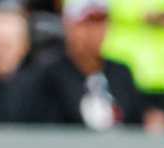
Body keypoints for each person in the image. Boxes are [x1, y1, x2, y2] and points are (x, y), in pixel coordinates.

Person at [11, 0, 152, 129]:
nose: (95, 31)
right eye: (87, 23)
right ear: (68, 25)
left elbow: (136, 126)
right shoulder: (48, 76)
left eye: (101, 21)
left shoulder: (121, 73)